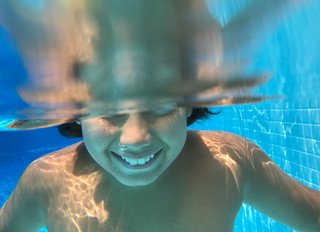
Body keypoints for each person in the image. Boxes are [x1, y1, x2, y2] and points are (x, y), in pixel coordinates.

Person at [0, 106, 319, 232]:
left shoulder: (229, 160)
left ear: (189, 103)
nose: (136, 138)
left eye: (161, 106)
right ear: (77, 113)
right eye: (110, 110)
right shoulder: (46, 181)